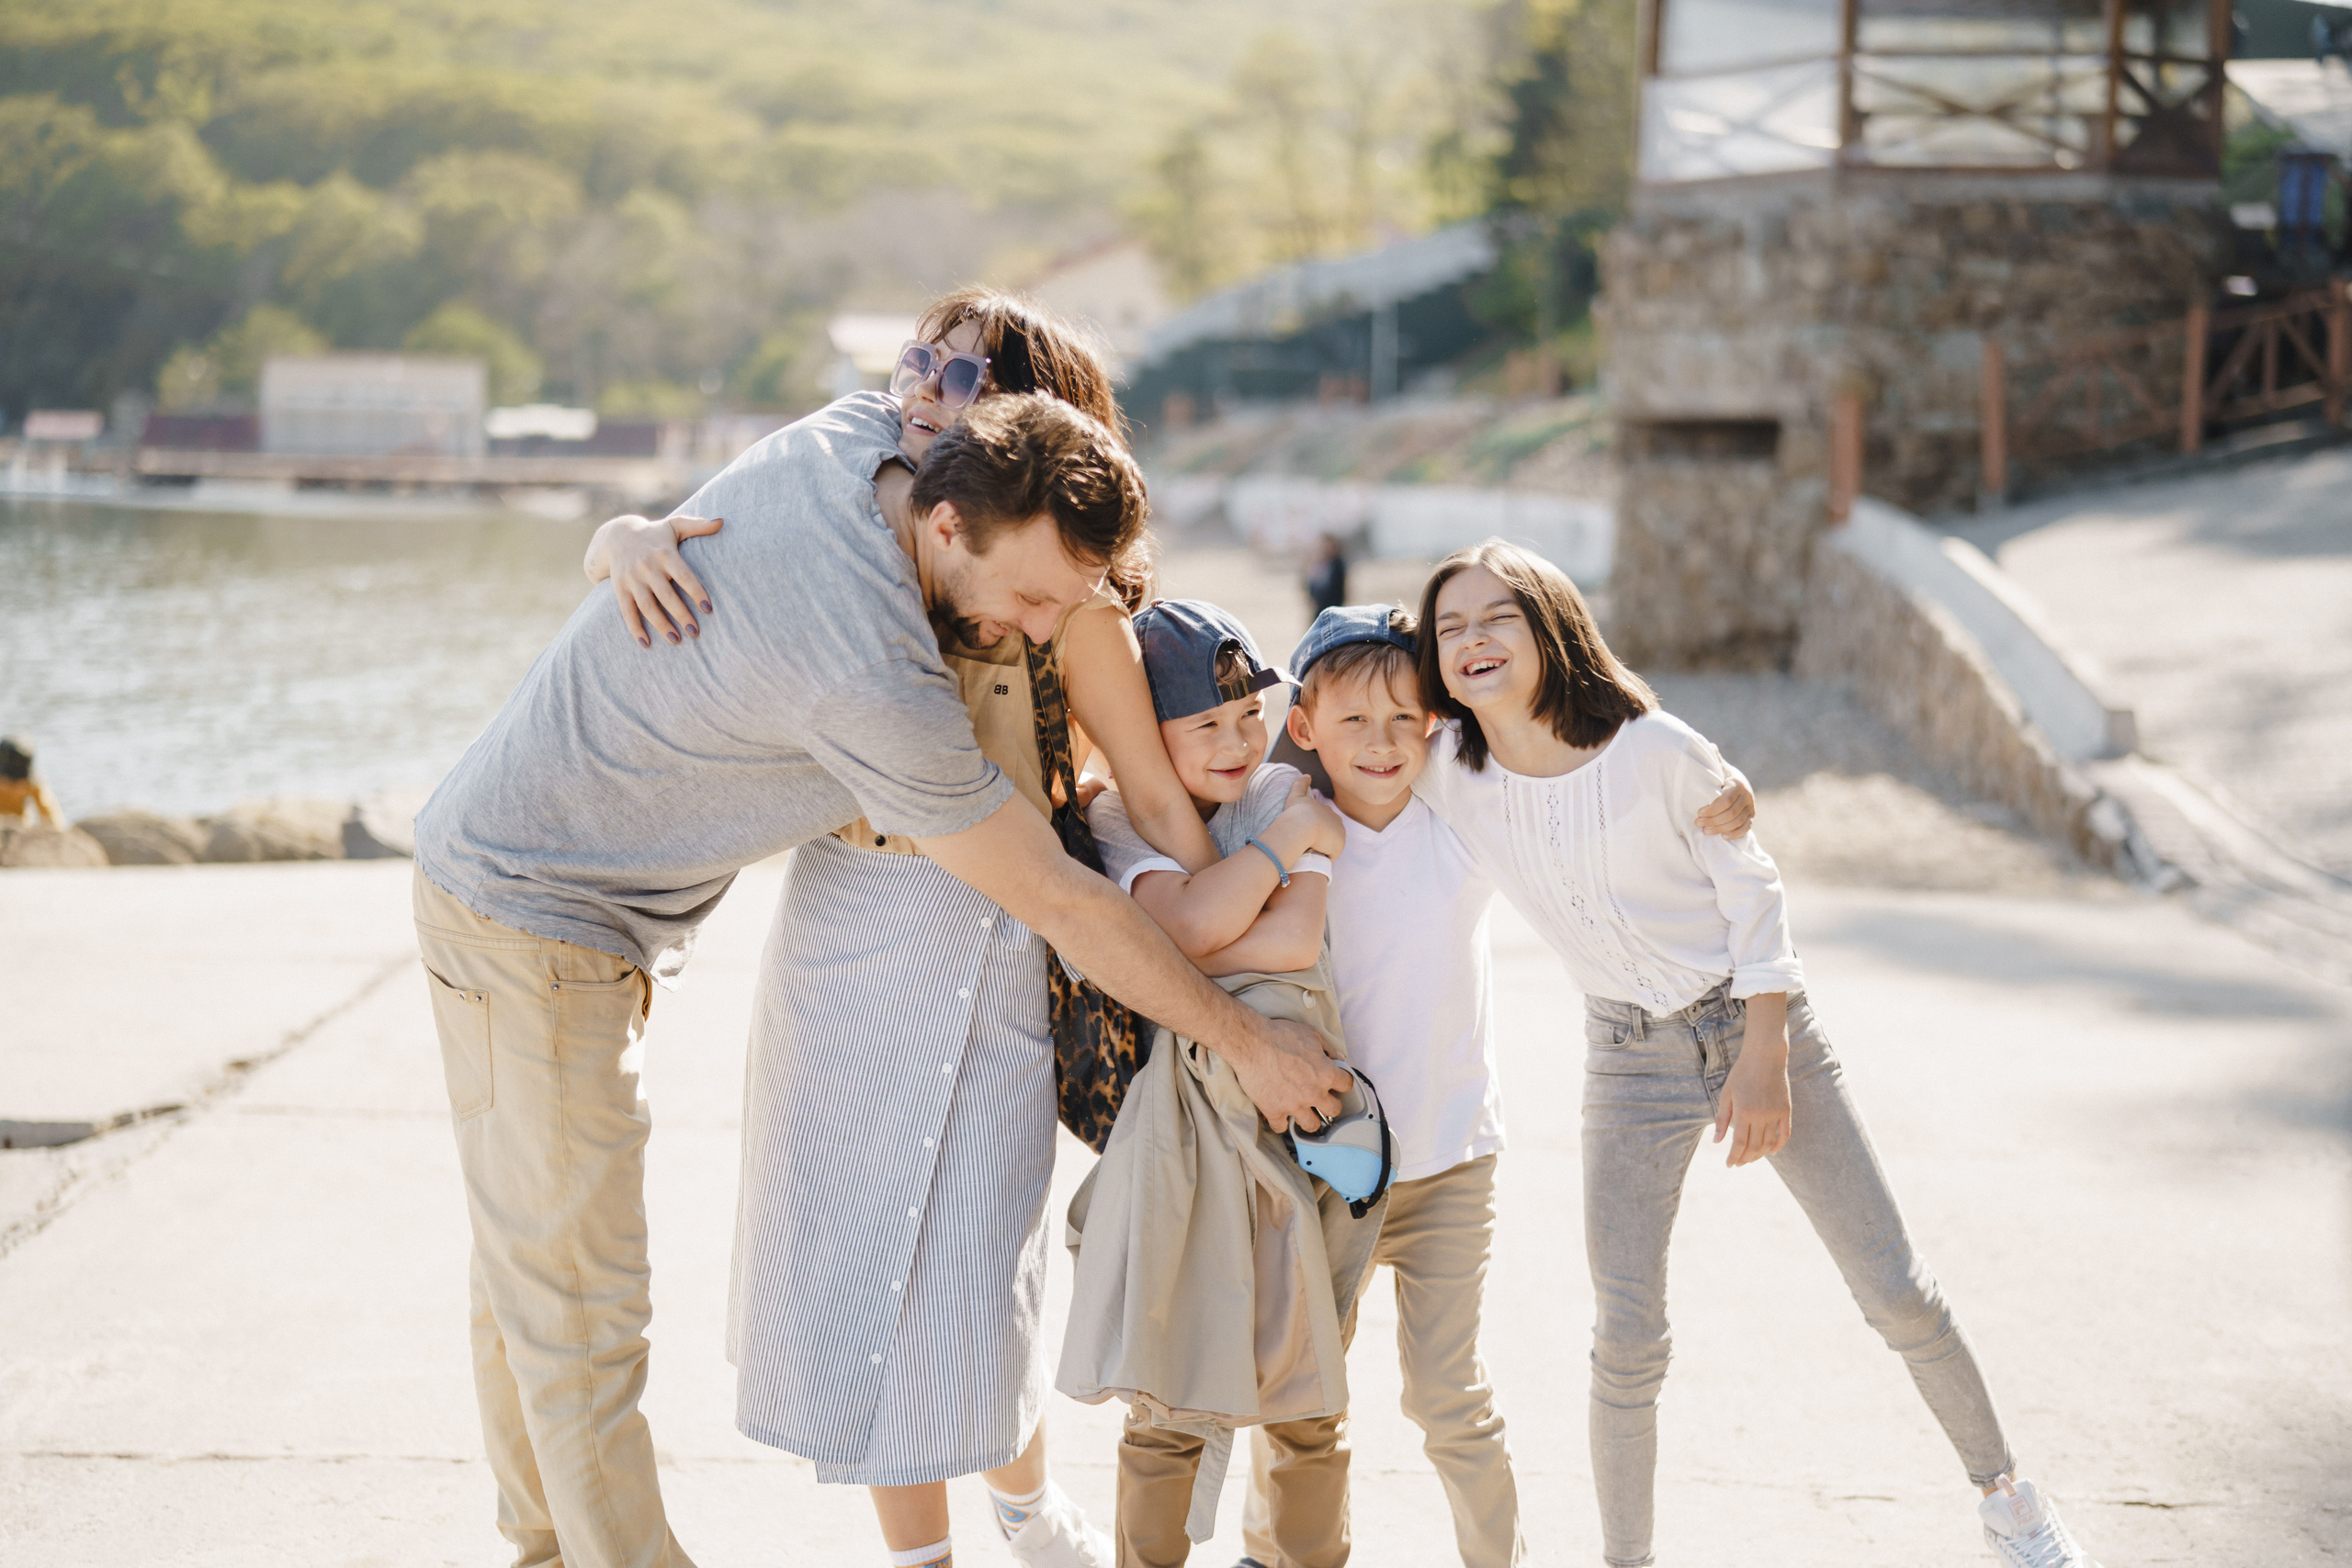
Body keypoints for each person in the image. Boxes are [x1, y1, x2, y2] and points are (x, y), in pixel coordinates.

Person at [410, 385, 1346, 1568]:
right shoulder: (872, 673)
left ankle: (545, 1548)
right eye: (1033, 595)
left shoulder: (860, 442)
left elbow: (899, 401)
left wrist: (624, 535)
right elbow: (1060, 901)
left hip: (523, 884)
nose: (1041, 629)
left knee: (528, 1275)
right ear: (950, 527)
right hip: (535, 915)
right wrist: (1252, 1045)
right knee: (581, 1307)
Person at [591, 289, 1257, 1568]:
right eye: (918, 356)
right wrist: (621, 536)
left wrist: (1240, 909)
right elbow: (698, 534)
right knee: (847, 1244)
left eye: (960, 369)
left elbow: (1157, 792)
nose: (921, 383)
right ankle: (923, 1552)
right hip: (841, 914)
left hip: (995, 920)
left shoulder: (1066, 592)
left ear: (1025, 408)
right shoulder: (863, 509)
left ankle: (1020, 1508)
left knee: (971, 1257)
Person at [1409, 539, 2100, 1568]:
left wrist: (1765, 1056)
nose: (1471, 641)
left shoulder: (1654, 750)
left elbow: (1753, 892)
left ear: (1549, 626)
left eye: (1495, 618)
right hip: (1624, 1057)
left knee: (1893, 1288)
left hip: (1752, 1019)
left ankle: (2009, 1501)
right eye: (1449, 627)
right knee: (1626, 1336)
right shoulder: (1444, 771)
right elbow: (1328, 703)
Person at [1234, 602, 1522, 1568]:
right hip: (1328, 1163)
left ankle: (1500, 1557)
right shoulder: (1276, 820)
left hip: (1449, 1163)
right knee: (1302, 1389)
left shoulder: (1461, 826)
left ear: (1435, 727)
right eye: (1354, 720)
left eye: (1406, 718)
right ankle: (1278, 1551)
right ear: (1306, 727)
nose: (1383, 741)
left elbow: (1553, 756)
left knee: (1447, 1397)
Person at [1078, 599, 1359, 1568]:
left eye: (1250, 715)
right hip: (1186, 1128)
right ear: (1142, 735)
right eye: (1206, 724)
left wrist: (1210, 909)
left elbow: (1289, 938)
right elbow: (1194, 931)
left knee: (1307, 1377)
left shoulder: (1278, 784)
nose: (1240, 741)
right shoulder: (1114, 815)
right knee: (1168, 1386)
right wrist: (1280, 855)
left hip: (1306, 1113)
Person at [1304, 534, 1348, 618]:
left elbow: (1339, 589)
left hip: (1333, 609)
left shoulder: (1337, 564)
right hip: (1319, 610)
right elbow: (1310, 586)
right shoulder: (1320, 564)